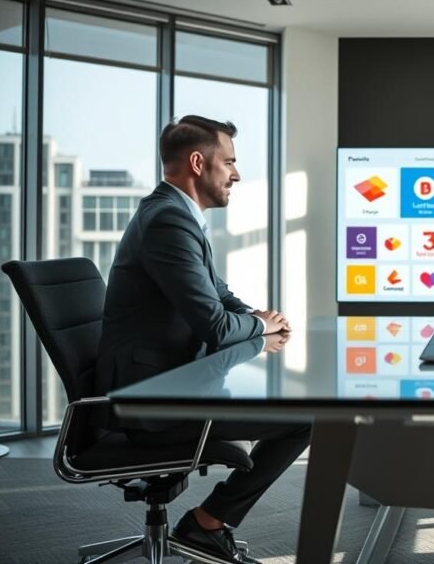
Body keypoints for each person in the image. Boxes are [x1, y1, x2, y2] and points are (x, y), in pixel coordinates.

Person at [96, 115, 309, 563]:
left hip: (170, 379)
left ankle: (209, 521)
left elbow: (218, 295)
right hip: (152, 401)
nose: (236, 173)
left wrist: (257, 315)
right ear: (198, 162)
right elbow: (213, 325)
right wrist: (261, 327)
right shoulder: (168, 222)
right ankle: (208, 522)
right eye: (229, 161)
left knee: (296, 408)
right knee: (307, 417)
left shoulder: (174, 214)